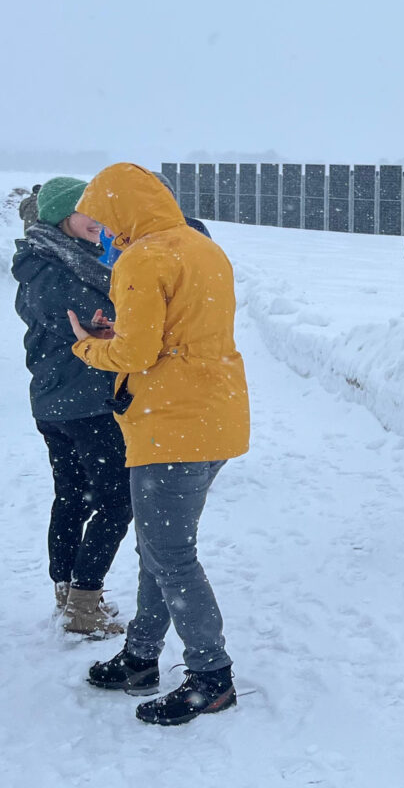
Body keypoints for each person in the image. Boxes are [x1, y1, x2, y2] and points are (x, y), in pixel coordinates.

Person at [67, 163, 250, 726]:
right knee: (159, 548)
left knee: (170, 556)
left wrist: (88, 347)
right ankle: (142, 657)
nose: (99, 232)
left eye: (102, 219)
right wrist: (122, 335)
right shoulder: (200, 247)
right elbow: (178, 330)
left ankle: (211, 676)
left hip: (170, 425)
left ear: (122, 208)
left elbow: (136, 354)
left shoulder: (141, 258)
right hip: (213, 419)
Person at [11, 177, 131, 633]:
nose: (100, 222)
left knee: (73, 497)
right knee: (117, 502)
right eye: (90, 213)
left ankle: (69, 593)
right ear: (63, 215)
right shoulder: (49, 268)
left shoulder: (52, 260)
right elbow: (100, 320)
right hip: (83, 403)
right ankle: (84, 604)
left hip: (61, 402)